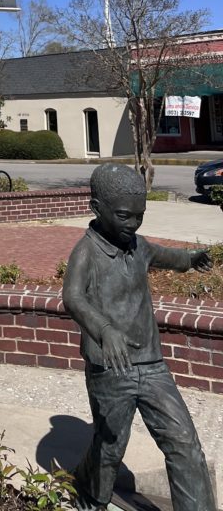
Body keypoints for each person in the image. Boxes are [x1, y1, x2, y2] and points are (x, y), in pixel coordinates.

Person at [62, 162, 215, 511]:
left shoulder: (139, 246)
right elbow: (73, 297)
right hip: (110, 367)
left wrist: (191, 259)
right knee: (111, 445)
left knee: (183, 442)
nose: (132, 225)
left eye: (139, 216)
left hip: (151, 363)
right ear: (97, 209)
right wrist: (103, 329)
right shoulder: (86, 251)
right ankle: (89, 495)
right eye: (123, 216)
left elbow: (166, 256)